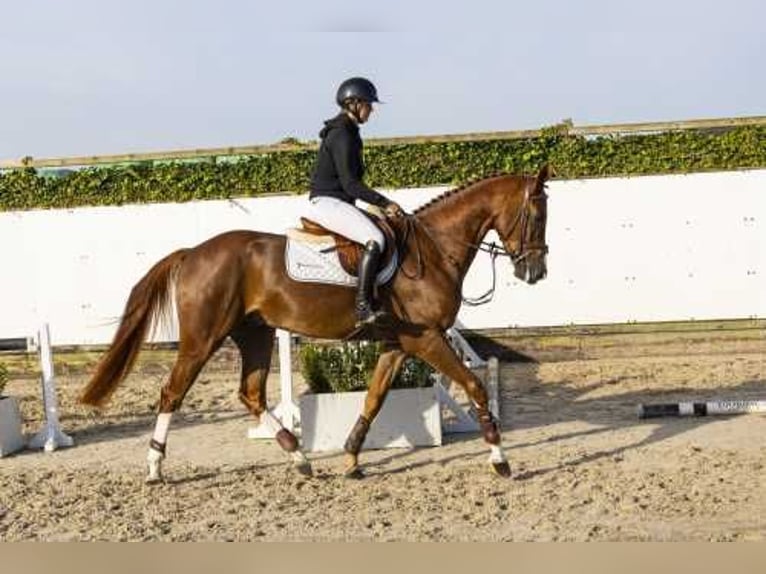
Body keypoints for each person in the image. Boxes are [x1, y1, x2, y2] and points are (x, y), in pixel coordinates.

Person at [306, 77, 405, 327]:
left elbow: (350, 186)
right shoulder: (342, 134)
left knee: (381, 229)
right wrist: (385, 202)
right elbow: (351, 184)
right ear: (354, 104)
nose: (371, 110)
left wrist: (374, 207)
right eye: (369, 105)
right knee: (376, 240)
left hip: (339, 202)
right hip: (327, 203)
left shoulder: (348, 132)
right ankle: (362, 306)